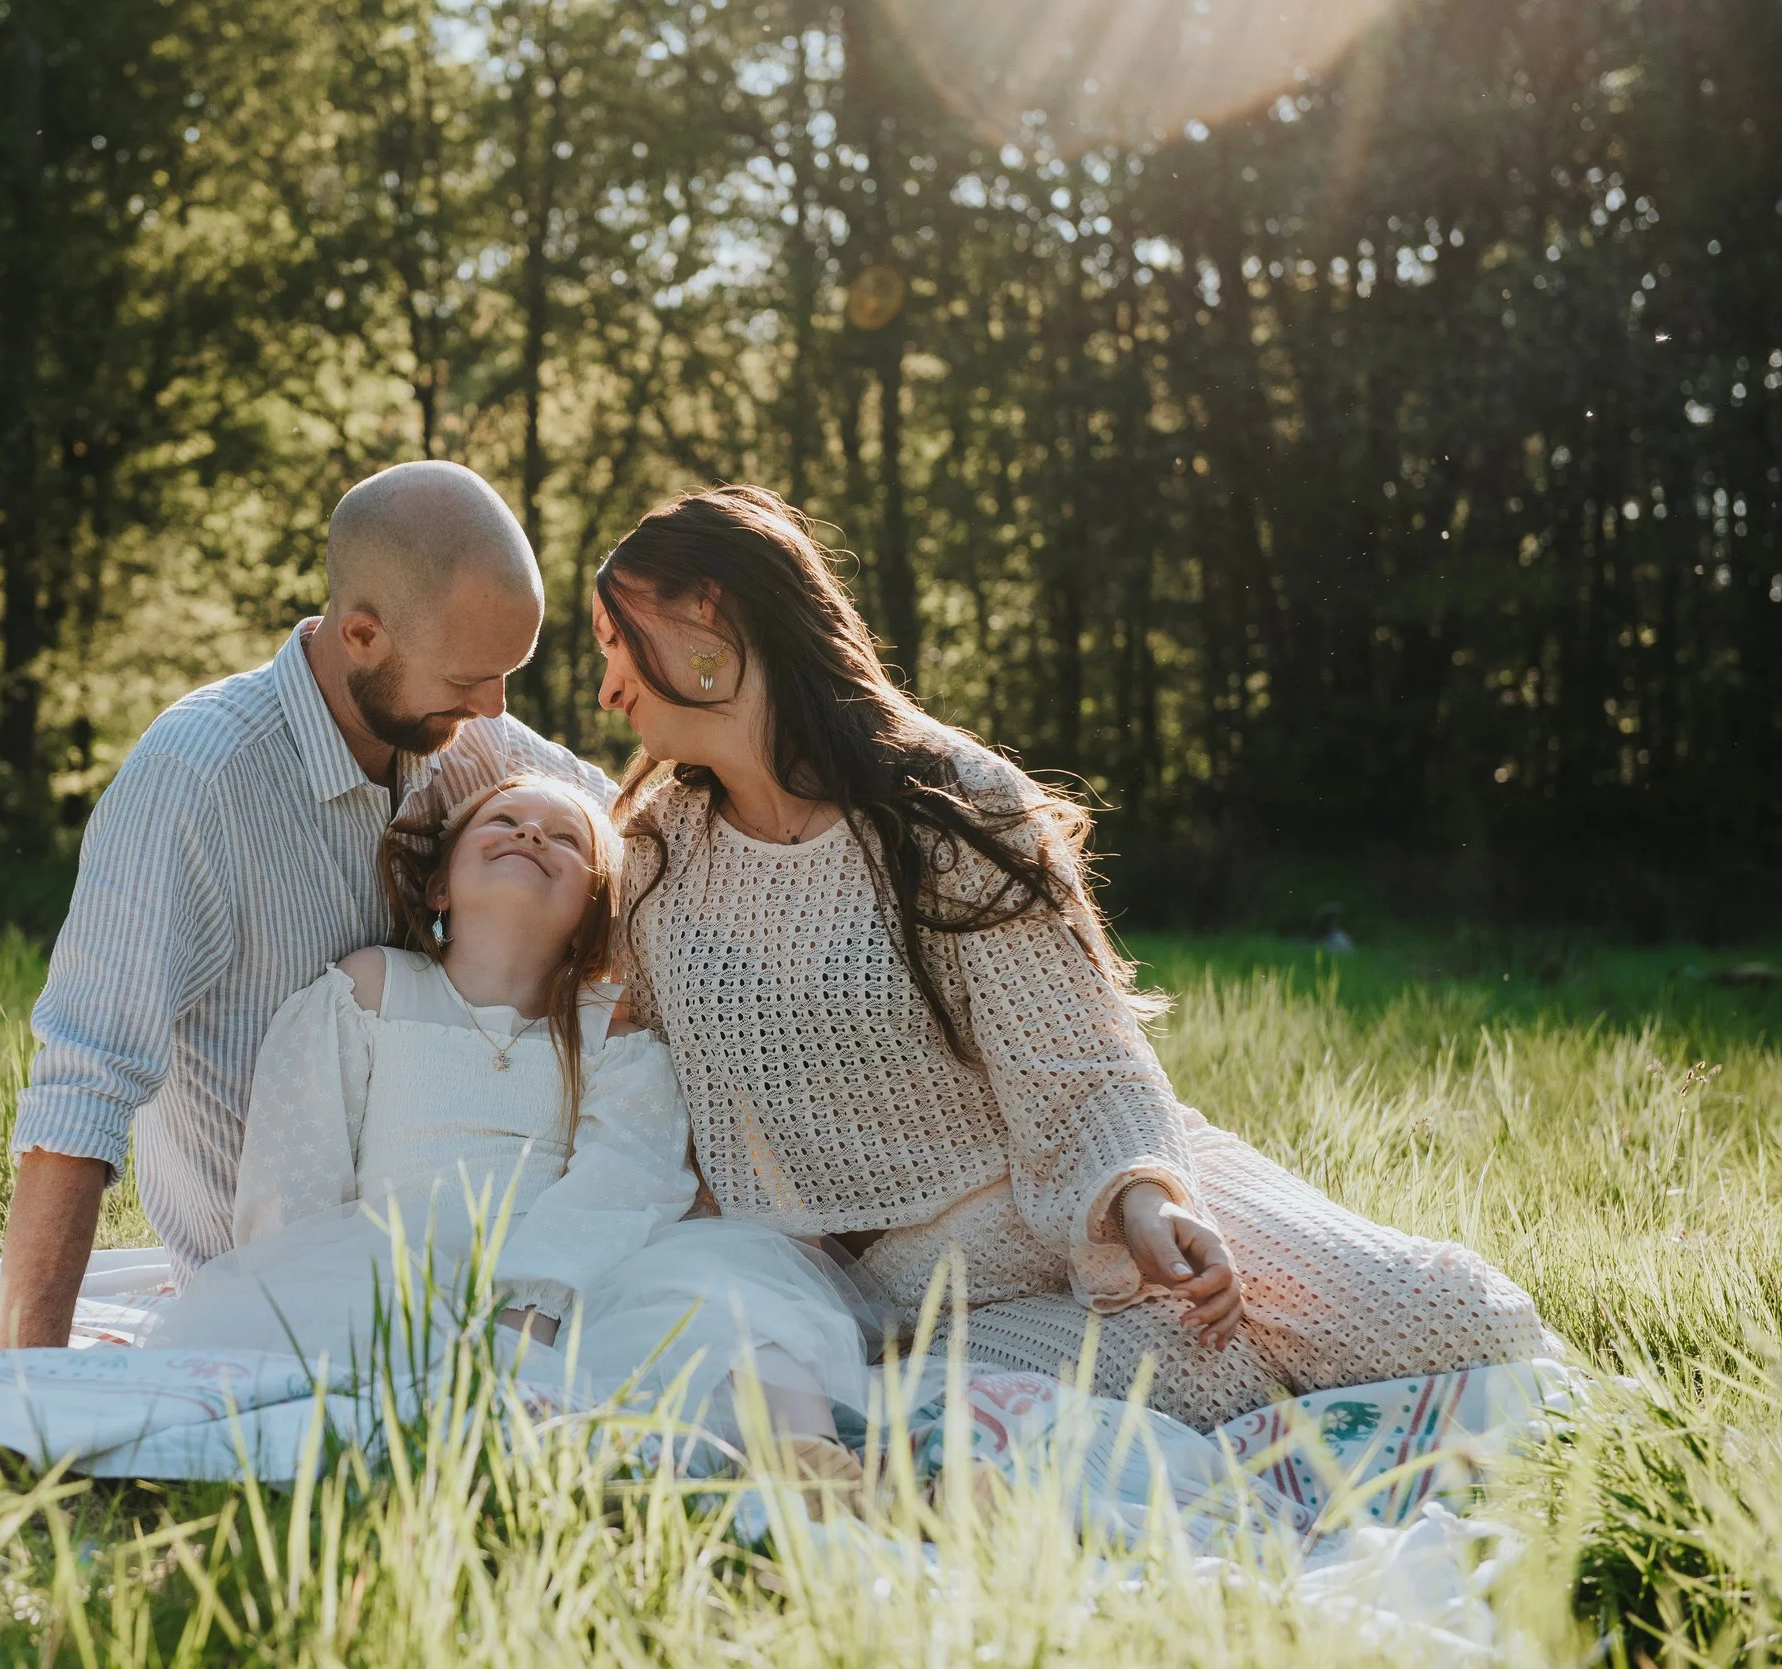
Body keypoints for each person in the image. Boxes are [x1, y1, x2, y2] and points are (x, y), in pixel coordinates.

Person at [592, 485, 1556, 1431]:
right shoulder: (656, 857)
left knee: (1448, 1317)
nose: (607, 688)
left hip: (1098, 1182)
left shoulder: (952, 799)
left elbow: (1081, 1059)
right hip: (918, 1299)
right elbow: (637, 1095)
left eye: (615, 640)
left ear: (707, 609)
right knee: (1199, 1373)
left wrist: (1146, 1198)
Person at [0, 460, 610, 1349]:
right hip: (272, 1302)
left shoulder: (464, 734)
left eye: (506, 673)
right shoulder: (197, 782)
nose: (495, 706)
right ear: (361, 634)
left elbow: (633, 827)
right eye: (470, 678)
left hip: (502, 1286)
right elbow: (83, 1083)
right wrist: (27, 1380)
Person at [142, 776, 875, 1472]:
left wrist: (536, 1300)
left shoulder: (609, 1031)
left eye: (566, 837)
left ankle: (811, 1459)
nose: (530, 832)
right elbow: (297, 1161)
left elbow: (628, 1173)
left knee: (733, 1300)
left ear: (593, 910)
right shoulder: (371, 988)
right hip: (394, 1269)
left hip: (574, 1277)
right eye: (504, 820)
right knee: (369, 1359)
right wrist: (291, 1283)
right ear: (440, 887)